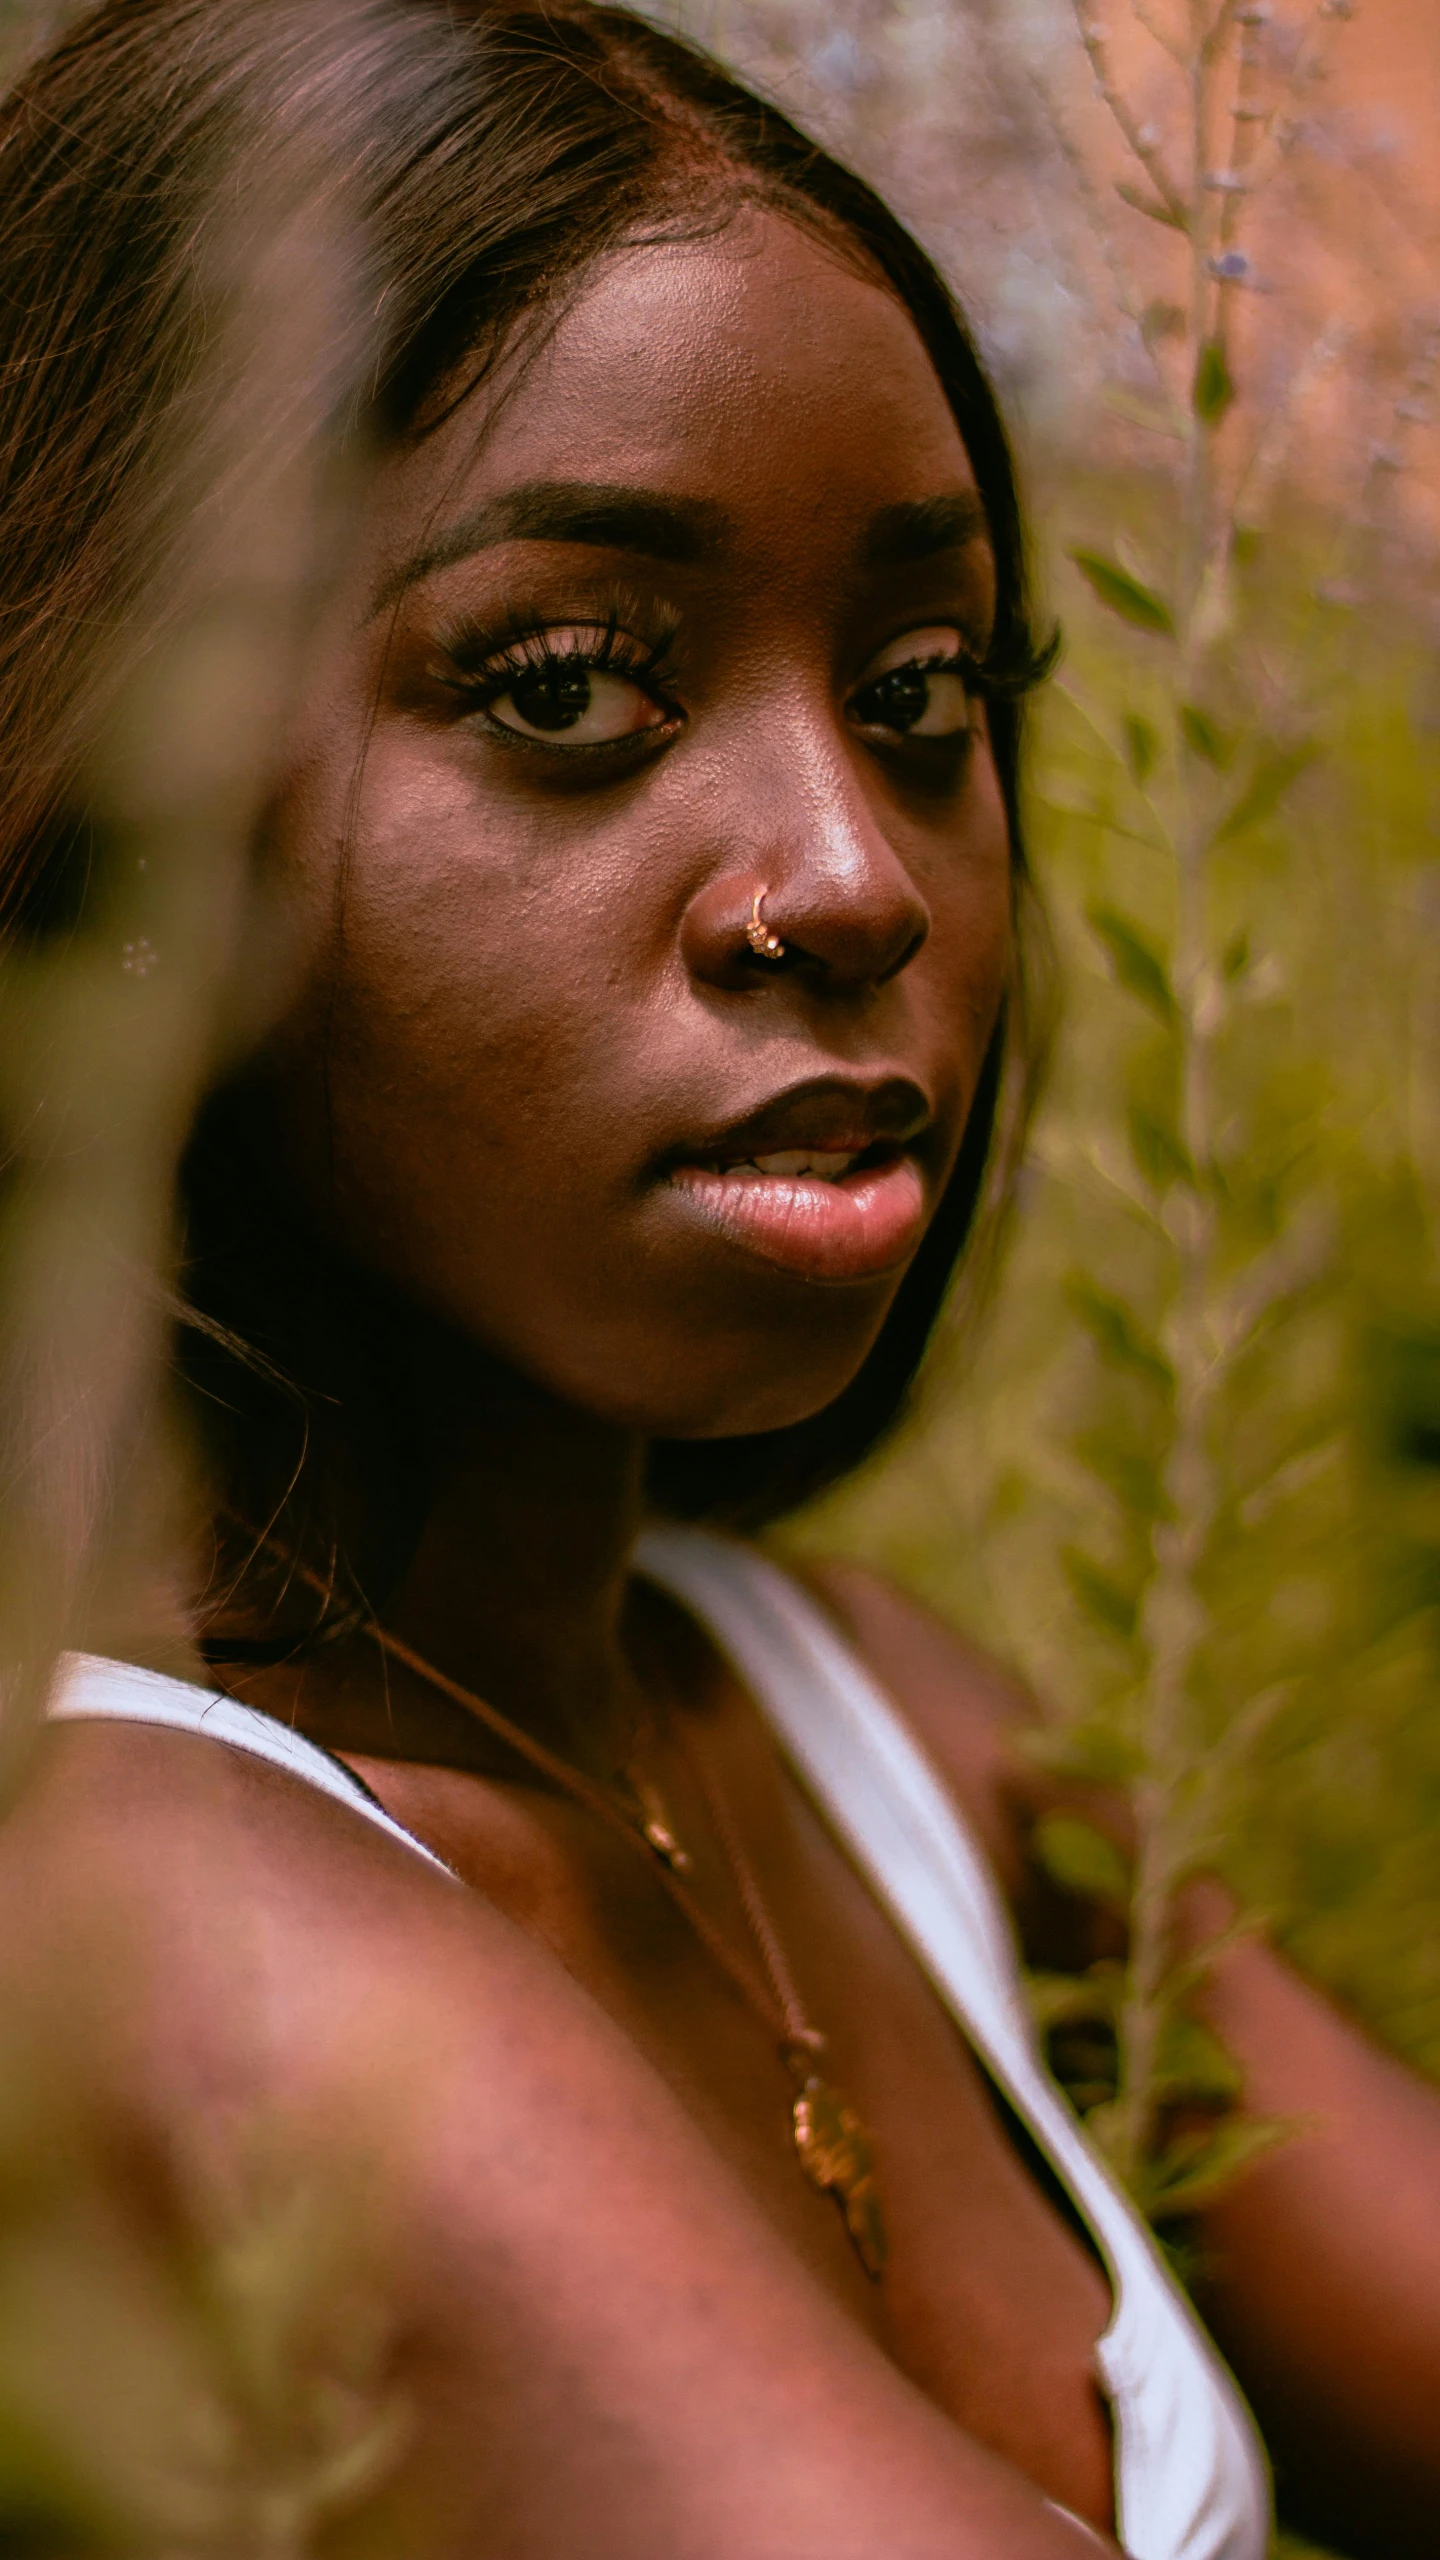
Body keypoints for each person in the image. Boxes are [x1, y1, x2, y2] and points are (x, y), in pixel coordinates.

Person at [0, 4, 1436, 2554]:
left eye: (921, 694)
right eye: (569, 686)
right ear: (126, 795)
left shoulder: (875, 1736)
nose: (854, 872)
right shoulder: (147, 1920)